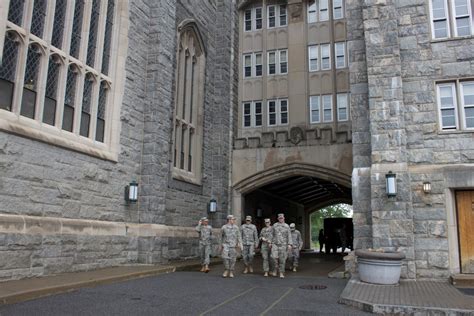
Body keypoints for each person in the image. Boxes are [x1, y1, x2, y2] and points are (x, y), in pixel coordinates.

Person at [271, 213, 293, 278]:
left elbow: (289, 235)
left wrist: (289, 244)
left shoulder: (287, 226)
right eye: (279, 218)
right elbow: (271, 234)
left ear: (284, 218)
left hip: (283, 245)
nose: (281, 219)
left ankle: (281, 272)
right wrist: (270, 242)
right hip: (275, 244)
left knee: (282, 259)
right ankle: (275, 269)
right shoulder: (275, 225)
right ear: (278, 218)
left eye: (282, 218)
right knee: (273, 258)